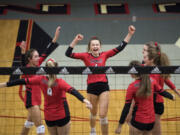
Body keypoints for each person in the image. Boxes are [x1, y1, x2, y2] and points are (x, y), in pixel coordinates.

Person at [65, 25, 136, 135]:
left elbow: (120, 48)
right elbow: (68, 54)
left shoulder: (105, 54)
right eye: (93, 45)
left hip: (103, 87)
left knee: (103, 115)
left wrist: (130, 34)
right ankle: (93, 130)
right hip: (91, 87)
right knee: (93, 113)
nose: (95, 46)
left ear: (100, 46)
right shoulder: (85, 56)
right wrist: (75, 40)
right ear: (90, 47)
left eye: (97, 44)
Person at [0, 58, 92, 135]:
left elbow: (21, 81)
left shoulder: (41, 80)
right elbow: (73, 91)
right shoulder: (60, 82)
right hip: (62, 116)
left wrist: (3, 84)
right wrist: (85, 100)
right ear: (57, 68)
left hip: (49, 118)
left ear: (46, 69)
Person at [18, 26, 61, 135]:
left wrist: (55, 36)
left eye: (38, 56)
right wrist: (23, 52)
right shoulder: (26, 69)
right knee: (41, 127)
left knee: (29, 123)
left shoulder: (38, 65)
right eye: (36, 57)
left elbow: (48, 49)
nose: (38, 58)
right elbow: (22, 63)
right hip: (31, 101)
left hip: (37, 100)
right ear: (30, 59)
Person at [115, 60, 175, 135]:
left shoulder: (132, 87)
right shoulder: (152, 81)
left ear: (132, 73)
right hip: (151, 122)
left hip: (138, 121)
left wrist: (120, 125)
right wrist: (171, 96)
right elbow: (161, 91)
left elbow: (126, 107)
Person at [143, 41, 180, 135]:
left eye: (144, 50)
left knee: (155, 126)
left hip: (157, 102)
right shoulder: (144, 66)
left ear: (151, 54)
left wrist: (175, 91)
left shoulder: (157, 69)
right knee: (146, 127)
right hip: (148, 100)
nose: (142, 52)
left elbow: (163, 82)